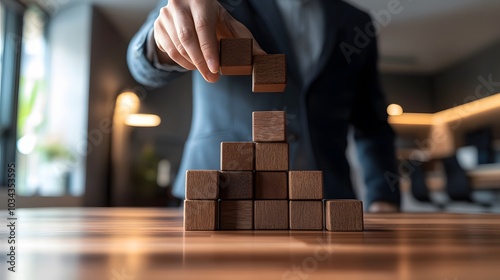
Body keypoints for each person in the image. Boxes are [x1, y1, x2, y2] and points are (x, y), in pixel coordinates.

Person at [127, 0, 401, 212]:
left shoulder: (357, 23)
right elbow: (142, 64)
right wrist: (164, 43)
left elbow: (373, 126)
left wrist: (383, 197)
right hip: (218, 196)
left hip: (328, 200)